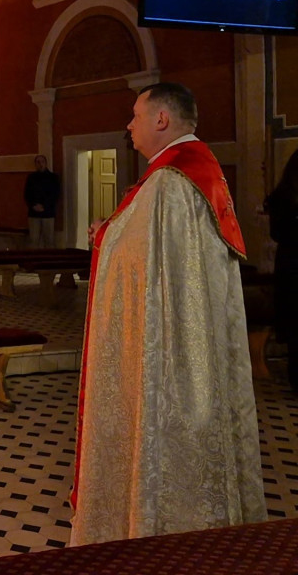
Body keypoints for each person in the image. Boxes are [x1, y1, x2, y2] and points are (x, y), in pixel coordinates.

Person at [71, 82, 265, 546]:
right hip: (197, 340)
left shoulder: (170, 182)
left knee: (163, 428)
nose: (129, 125)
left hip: (173, 348)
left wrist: (103, 237)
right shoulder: (197, 171)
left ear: (162, 120)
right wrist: (116, 231)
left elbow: (143, 260)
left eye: (136, 115)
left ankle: (160, 532)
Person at [265, 147, 298, 392]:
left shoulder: (281, 197)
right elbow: (277, 233)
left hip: (290, 266)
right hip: (292, 266)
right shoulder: (283, 200)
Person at [24, 154, 59, 248]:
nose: (40, 164)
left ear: (46, 163)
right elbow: (27, 195)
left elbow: (55, 195)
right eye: (38, 162)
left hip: (48, 213)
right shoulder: (31, 178)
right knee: (33, 240)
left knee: (49, 240)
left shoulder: (53, 178)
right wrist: (33, 205)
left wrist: (44, 206)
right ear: (35, 164)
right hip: (34, 214)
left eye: (42, 162)